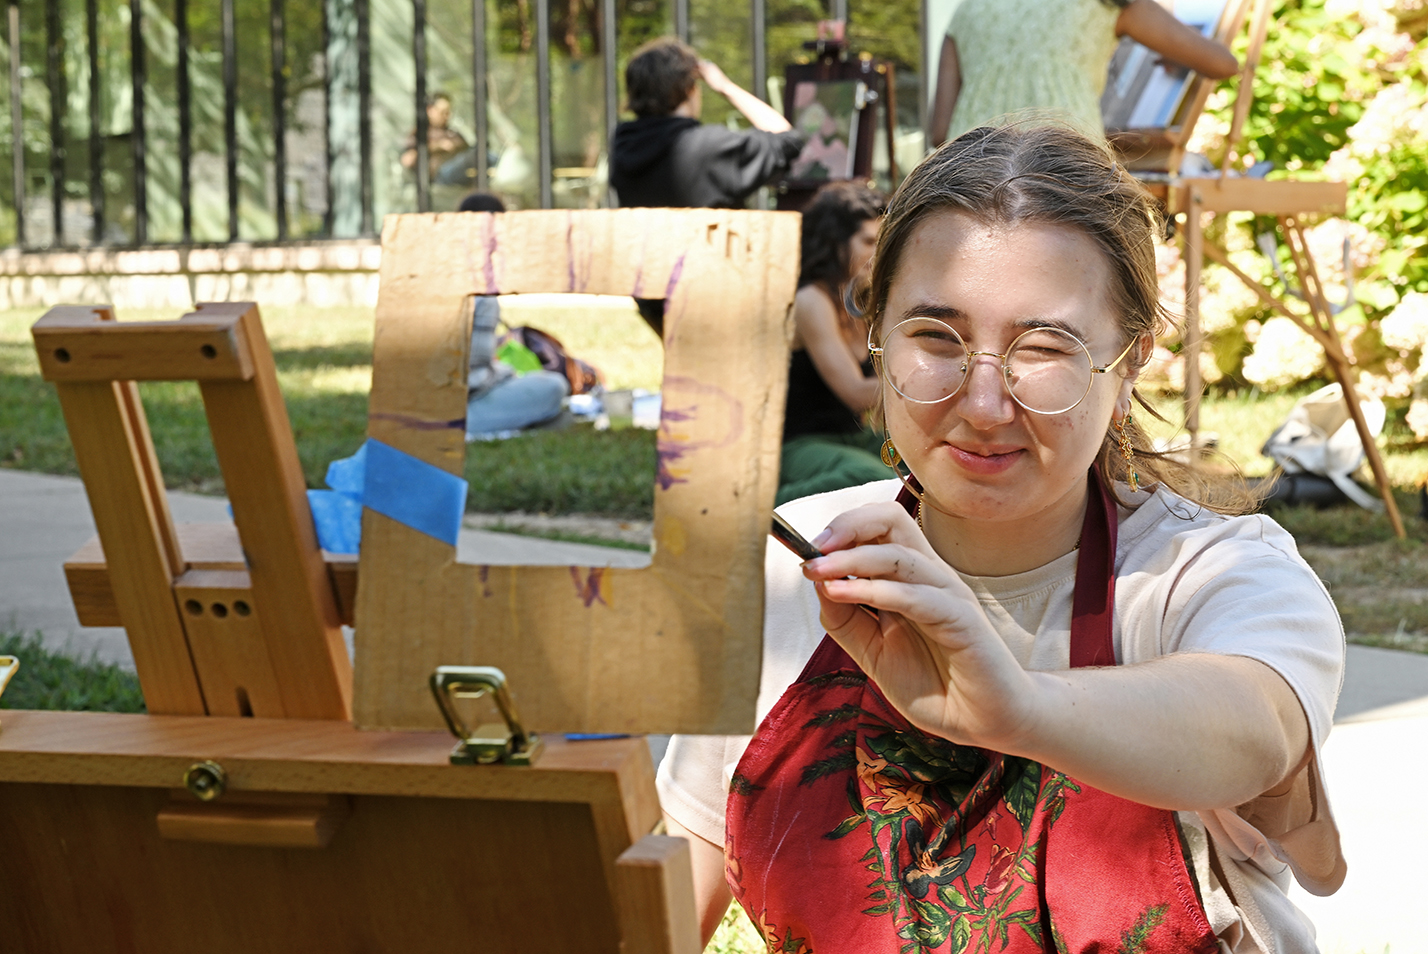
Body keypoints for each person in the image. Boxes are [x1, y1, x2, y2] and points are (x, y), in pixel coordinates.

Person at [657, 124, 1345, 952]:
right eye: (936, 338)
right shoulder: (801, 562)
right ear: (877, 337)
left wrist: (1018, 709)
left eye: (1044, 347)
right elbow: (668, 894)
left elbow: (1257, 730)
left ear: (1130, 363)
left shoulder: (1208, 572)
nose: (983, 403)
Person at [610, 38, 806, 336]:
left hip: (652, 295)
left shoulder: (622, 145)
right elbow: (788, 140)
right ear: (690, 88)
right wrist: (725, 86)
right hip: (715, 292)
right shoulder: (708, 148)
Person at [928, 0, 1239, 147]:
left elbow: (941, 130)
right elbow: (1222, 63)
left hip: (971, 168)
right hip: (1067, 166)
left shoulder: (967, 9)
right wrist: (1170, 51)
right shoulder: (1107, 3)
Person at [777, 181, 893, 505]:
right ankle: (760, 510)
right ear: (835, 244)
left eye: (883, 241)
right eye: (869, 241)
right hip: (800, 444)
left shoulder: (863, 299)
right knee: (871, 479)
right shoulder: (811, 299)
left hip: (852, 438)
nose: (878, 253)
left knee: (924, 469)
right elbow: (856, 394)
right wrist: (929, 388)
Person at [458, 193, 570, 438]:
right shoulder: (478, 287)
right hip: (461, 408)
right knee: (554, 386)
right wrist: (505, 374)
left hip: (423, 401)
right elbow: (471, 377)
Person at [401, 92, 470, 181]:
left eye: (448, 112)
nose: (447, 116)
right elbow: (407, 159)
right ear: (430, 110)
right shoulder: (420, 133)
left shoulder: (452, 132)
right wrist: (437, 147)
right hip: (439, 174)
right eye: (442, 112)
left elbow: (466, 147)